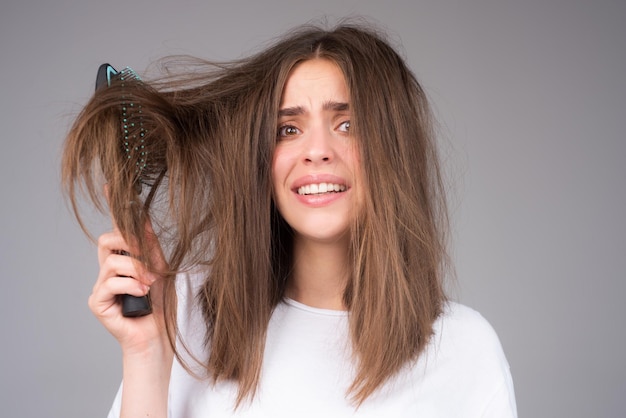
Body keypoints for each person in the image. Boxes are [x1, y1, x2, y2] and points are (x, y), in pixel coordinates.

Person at [62, 22, 517, 417]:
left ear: (392, 150)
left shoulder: (464, 349)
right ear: (262, 158)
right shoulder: (185, 315)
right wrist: (146, 354)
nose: (316, 150)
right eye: (288, 129)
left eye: (347, 124)